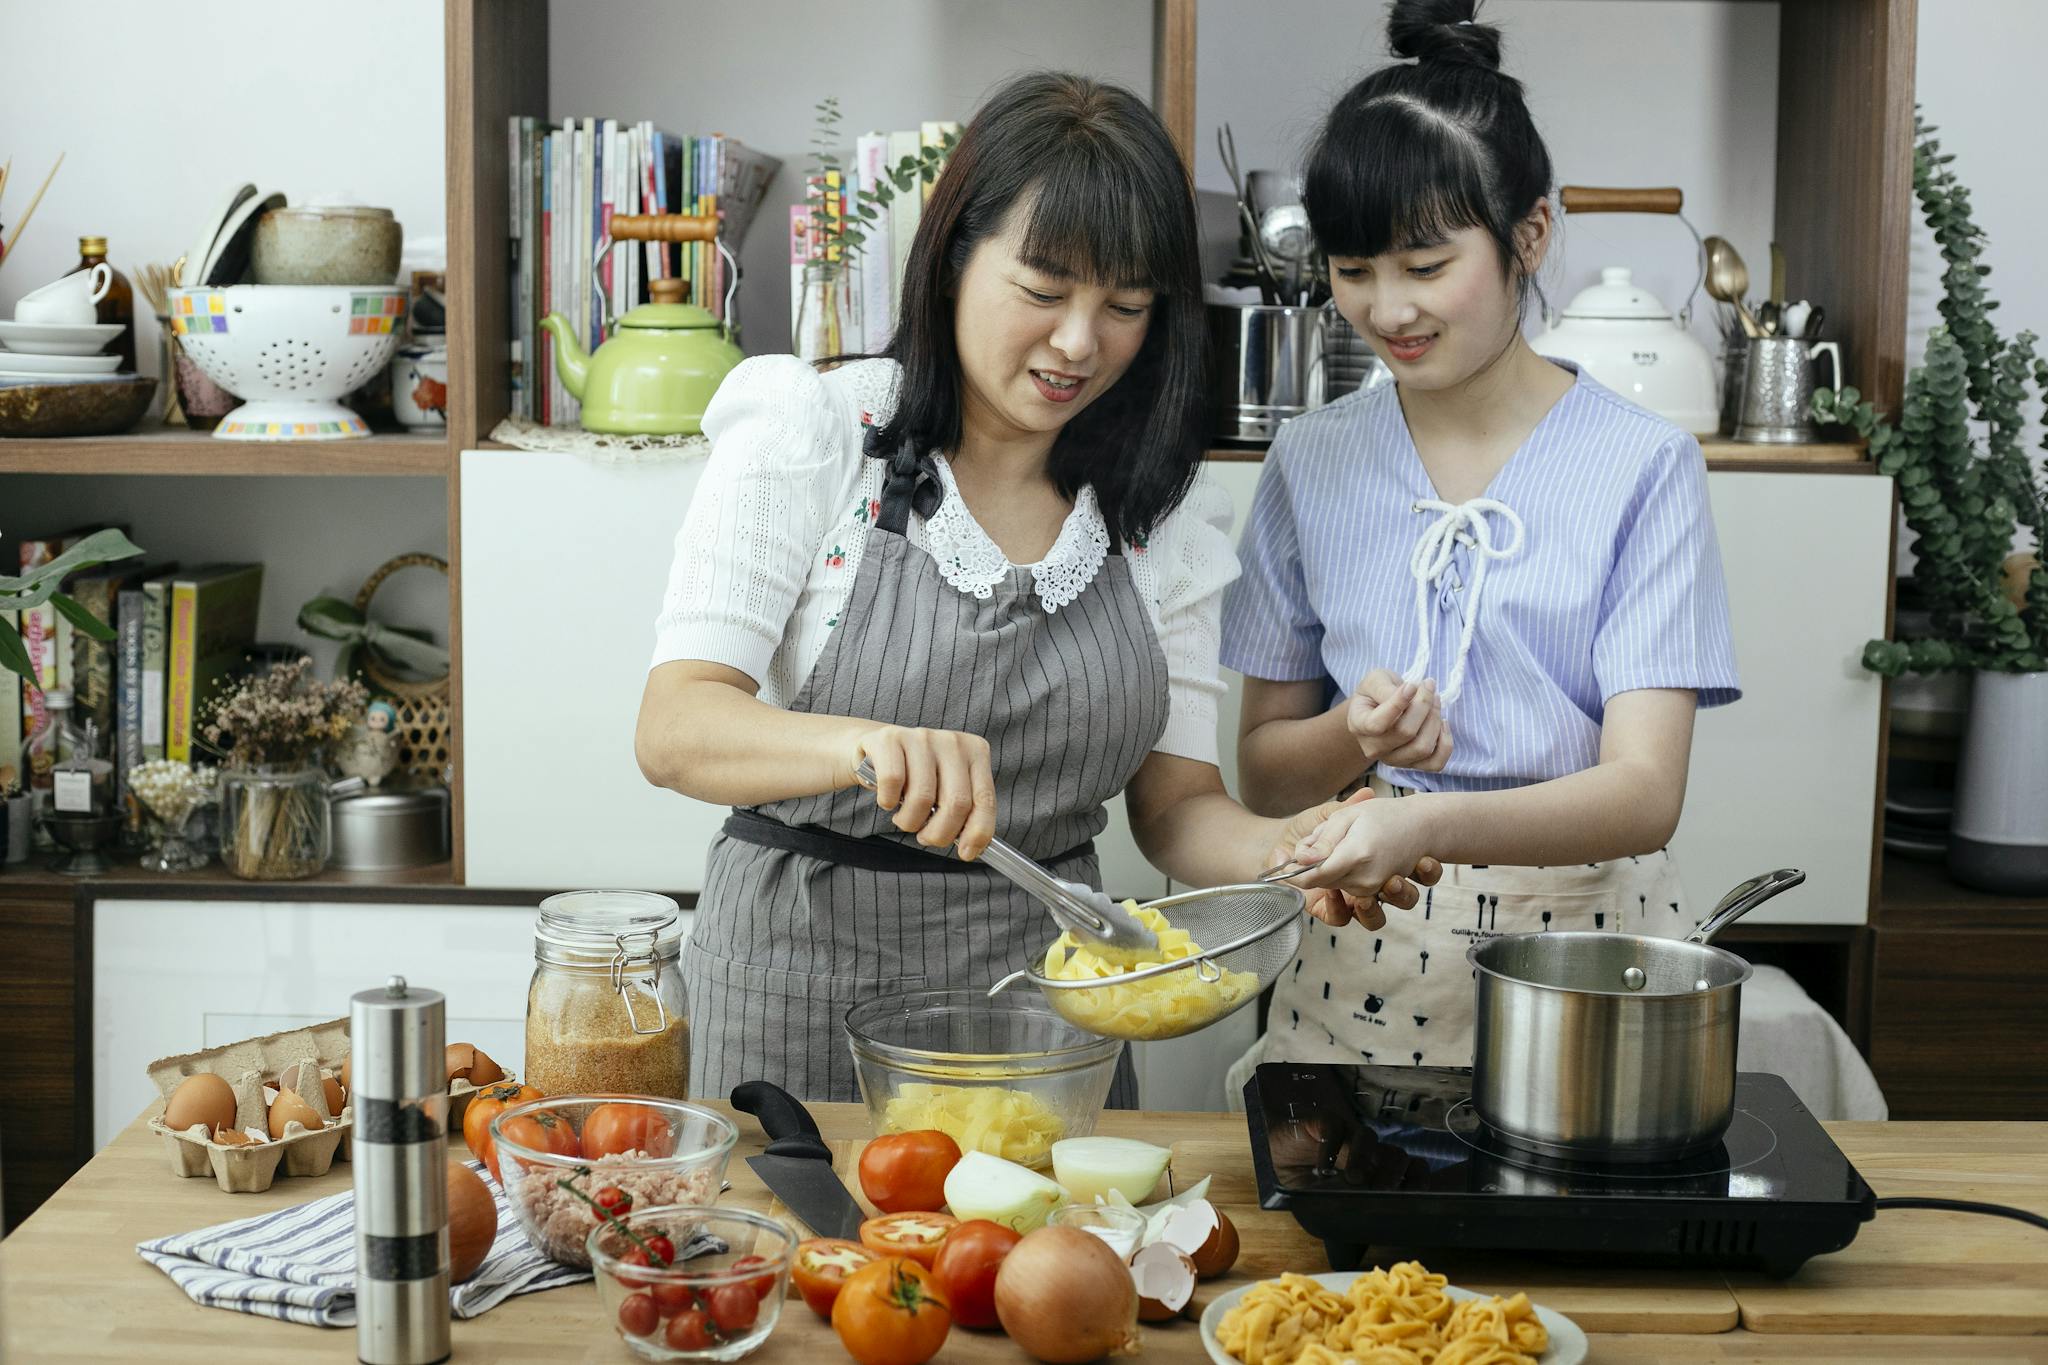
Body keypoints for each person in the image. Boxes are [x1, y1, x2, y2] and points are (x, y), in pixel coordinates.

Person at [637, 71, 1439, 1104]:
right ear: (957, 254)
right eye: (1044, 290)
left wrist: (1298, 849)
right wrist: (862, 743)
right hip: (800, 997)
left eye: (1125, 306)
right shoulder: (820, 434)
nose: (1077, 343)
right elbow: (675, 726)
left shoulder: (1156, 525)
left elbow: (1178, 809)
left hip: (1054, 1018)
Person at [1221, 0, 1741, 1079]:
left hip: (1585, 964)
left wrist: (1427, 828)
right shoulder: (1308, 460)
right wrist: (1353, 739)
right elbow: (1267, 776)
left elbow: (1644, 789)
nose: (1382, 307)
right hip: (1359, 948)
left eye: (1423, 263)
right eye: (1351, 268)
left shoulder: (1641, 463)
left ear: (1529, 236)